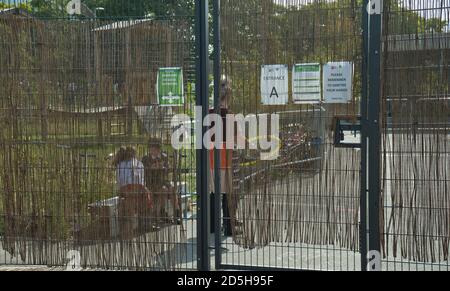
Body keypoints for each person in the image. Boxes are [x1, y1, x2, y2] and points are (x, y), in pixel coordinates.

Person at [209, 76, 242, 237]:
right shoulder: (229, 116)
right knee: (227, 197)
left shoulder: (208, 113)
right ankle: (228, 228)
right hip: (224, 161)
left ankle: (212, 228)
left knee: (213, 195)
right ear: (228, 96)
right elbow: (237, 139)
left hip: (210, 161)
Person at [113, 146, 153, 237]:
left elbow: (119, 182)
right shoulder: (138, 164)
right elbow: (141, 181)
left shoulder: (120, 165)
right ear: (135, 154)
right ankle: (144, 224)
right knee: (147, 198)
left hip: (124, 190)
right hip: (135, 189)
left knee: (128, 205)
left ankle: (126, 229)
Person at [142, 139, 181, 225]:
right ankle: (162, 214)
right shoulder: (145, 158)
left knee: (172, 190)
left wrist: (164, 168)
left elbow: (168, 169)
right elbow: (145, 170)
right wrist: (153, 168)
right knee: (163, 190)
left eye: (156, 149)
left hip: (164, 181)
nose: (154, 151)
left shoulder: (164, 156)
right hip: (152, 182)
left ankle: (177, 215)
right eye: (152, 149)